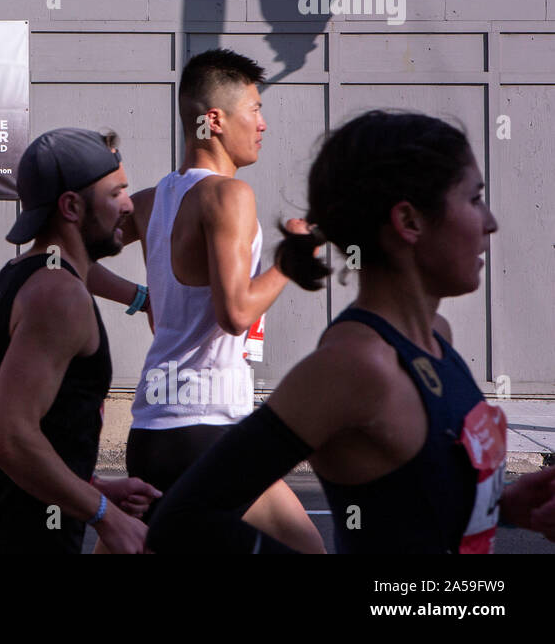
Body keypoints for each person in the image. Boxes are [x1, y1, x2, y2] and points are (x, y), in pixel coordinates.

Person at [148, 110, 555, 553]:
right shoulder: (356, 366)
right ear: (410, 222)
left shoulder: (436, 337)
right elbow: (185, 519)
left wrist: (500, 505)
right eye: (474, 198)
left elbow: (409, 508)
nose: (490, 222)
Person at [87, 49, 324, 553]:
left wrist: (139, 299)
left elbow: (69, 259)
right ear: (214, 120)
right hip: (207, 431)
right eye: (255, 109)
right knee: (309, 551)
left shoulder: (150, 200)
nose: (263, 123)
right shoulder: (229, 196)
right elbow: (236, 313)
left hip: (151, 434)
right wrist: (289, 260)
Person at [0, 128, 159, 554]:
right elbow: (6, 437)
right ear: (71, 206)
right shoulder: (57, 294)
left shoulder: (17, 274)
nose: (129, 206)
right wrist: (106, 516)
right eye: (116, 192)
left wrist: (93, 487)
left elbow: (13, 437)